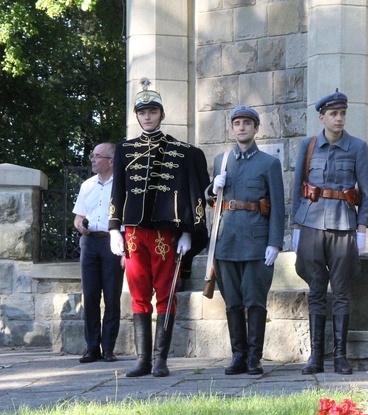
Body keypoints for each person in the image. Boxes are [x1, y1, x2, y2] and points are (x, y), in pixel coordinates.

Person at [109, 78, 210, 378]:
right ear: (137, 116)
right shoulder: (125, 151)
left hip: (167, 234)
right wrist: (114, 228)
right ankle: (142, 360)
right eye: (143, 112)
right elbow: (118, 191)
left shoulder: (183, 152)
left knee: (166, 294)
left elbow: (193, 192)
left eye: (153, 111)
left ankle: (160, 359)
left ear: (162, 114)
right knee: (139, 294)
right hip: (134, 233)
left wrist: (190, 231)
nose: (148, 116)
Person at [291, 90, 368, 375]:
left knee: (341, 291)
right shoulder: (309, 145)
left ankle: (340, 356)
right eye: (334, 114)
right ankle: (315, 356)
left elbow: (366, 190)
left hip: (343, 224)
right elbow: (297, 186)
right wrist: (295, 226)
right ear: (322, 117)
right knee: (315, 291)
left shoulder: (358, 147)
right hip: (311, 223)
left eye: (342, 114)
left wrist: (362, 227)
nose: (339, 119)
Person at [206, 105, 285, 375]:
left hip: (255, 243)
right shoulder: (221, 160)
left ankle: (255, 357)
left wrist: (274, 243)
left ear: (256, 129)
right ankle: (238, 355)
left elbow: (278, 205)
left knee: (255, 302)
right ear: (232, 128)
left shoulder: (269, 163)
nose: (241, 127)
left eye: (247, 123)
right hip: (226, 241)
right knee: (233, 303)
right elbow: (212, 201)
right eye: (237, 123)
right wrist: (212, 188)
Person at [73, 142, 125, 363]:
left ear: (111, 161)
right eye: (93, 156)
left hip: (112, 242)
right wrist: (80, 226)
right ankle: (92, 347)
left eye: (97, 156)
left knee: (112, 297)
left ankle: (108, 348)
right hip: (90, 242)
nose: (93, 160)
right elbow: (77, 217)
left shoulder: (122, 185)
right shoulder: (87, 186)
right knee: (91, 296)